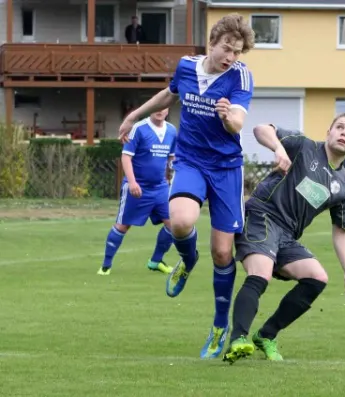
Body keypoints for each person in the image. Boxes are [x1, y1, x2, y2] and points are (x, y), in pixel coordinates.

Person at [117, 13, 255, 359]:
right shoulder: (186, 66)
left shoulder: (240, 77)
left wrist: (228, 117)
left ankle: (219, 325)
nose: (231, 56)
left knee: (223, 253)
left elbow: (238, 120)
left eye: (237, 51)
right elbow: (169, 94)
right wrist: (134, 116)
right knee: (179, 221)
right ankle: (187, 260)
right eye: (227, 48)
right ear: (213, 42)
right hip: (191, 161)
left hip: (226, 169)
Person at [223, 114, 345, 364]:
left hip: (287, 235)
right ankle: (238, 338)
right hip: (262, 215)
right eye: (339, 127)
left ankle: (266, 335)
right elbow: (260, 129)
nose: (344, 133)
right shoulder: (304, 146)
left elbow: (341, 230)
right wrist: (278, 148)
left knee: (317, 278)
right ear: (328, 131)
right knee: (260, 274)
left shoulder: (344, 186)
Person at [98, 109, 176, 276]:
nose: (159, 111)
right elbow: (126, 157)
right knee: (123, 226)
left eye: (163, 107)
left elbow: (172, 159)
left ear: (167, 109)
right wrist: (132, 182)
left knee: (174, 225)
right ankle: (106, 266)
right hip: (138, 187)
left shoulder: (171, 130)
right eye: (156, 107)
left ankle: (156, 261)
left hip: (161, 188)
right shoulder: (138, 128)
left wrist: (175, 178)